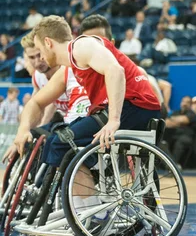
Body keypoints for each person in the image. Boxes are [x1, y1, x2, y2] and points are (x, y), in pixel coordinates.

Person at [8, 15, 161, 212]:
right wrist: (23, 129)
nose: (41, 56)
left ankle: (94, 214)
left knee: (61, 142)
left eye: (40, 50)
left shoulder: (81, 47)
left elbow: (115, 70)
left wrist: (114, 120)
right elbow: (36, 102)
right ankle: (83, 210)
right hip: (131, 107)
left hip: (136, 106)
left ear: (48, 42)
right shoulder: (70, 65)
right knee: (62, 140)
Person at [21, 32, 89, 127]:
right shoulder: (37, 77)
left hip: (85, 120)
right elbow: (36, 106)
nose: (37, 62)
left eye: (39, 55)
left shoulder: (70, 71)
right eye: (31, 57)